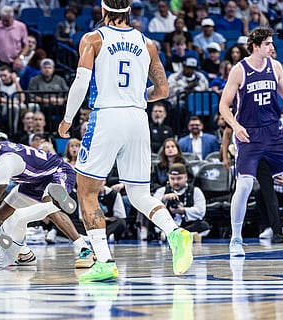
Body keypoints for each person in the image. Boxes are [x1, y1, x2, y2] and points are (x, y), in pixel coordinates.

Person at [58, 0, 193, 282]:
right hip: (137, 119)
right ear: (129, 11)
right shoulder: (147, 43)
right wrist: (134, 98)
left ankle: (105, 261)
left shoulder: (93, 38)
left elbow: (81, 82)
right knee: (139, 194)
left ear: (103, 11)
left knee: (87, 192)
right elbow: (164, 89)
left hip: (107, 117)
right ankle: (174, 232)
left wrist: (68, 119)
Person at [218, 27, 283, 257]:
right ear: (255, 46)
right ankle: (236, 238)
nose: (272, 47)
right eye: (268, 44)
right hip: (249, 135)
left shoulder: (276, 66)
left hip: (274, 131)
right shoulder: (239, 71)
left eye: (272, 43)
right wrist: (236, 126)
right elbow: (223, 105)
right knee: (246, 185)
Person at [0, 129, 92, 267]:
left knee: (48, 208)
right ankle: (24, 253)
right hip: (32, 181)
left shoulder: (5, 161)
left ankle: (84, 249)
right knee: (1, 213)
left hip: (57, 172)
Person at [153, 163, 210, 242]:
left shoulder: (195, 191)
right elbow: (153, 209)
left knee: (204, 226)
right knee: (155, 225)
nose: (175, 182)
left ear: (186, 177)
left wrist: (183, 210)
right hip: (168, 223)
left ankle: (172, 235)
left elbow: (201, 211)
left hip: (187, 224)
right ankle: (186, 236)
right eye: (172, 179)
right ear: (168, 178)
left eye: (179, 178)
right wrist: (164, 199)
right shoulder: (162, 191)